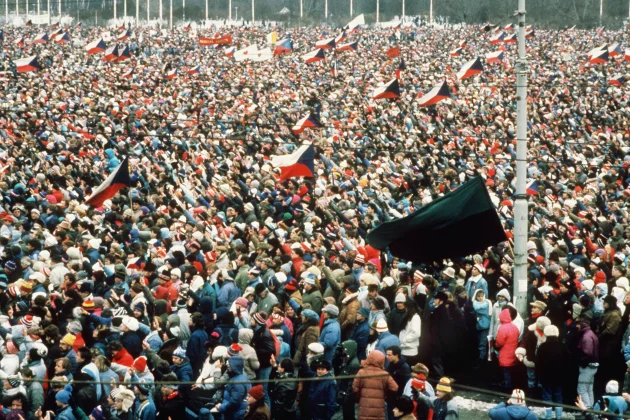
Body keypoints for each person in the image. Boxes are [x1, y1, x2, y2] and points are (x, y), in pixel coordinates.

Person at [353, 350, 399, 420]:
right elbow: (395, 387)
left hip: (364, 405)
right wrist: (385, 393)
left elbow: (355, 388)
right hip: (379, 407)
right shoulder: (385, 374)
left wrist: (359, 396)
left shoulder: (362, 372)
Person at [536, 325, 568, 420]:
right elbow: (568, 362)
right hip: (560, 375)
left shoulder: (542, 346)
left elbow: (538, 363)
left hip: (546, 376)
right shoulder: (563, 346)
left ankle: (548, 415)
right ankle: (559, 416)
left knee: (547, 394)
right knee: (558, 394)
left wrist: (539, 375)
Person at [215, 356, 251, 420]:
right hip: (236, 412)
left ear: (234, 367)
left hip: (234, 415)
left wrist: (221, 407)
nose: (227, 368)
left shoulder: (237, 383)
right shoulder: (243, 375)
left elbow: (234, 403)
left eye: (229, 366)